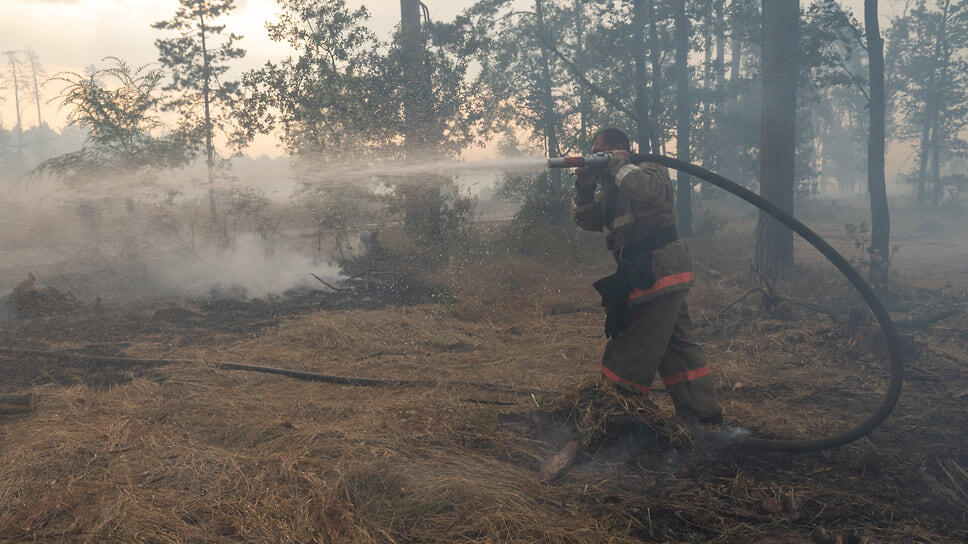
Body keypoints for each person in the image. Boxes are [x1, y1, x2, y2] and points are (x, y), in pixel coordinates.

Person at [573, 127, 722, 424]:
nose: (593, 157)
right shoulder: (613, 191)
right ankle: (703, 418)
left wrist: (618, 164)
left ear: (617, 149)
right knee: (678, 350)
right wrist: (586, 186)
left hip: (658, 272)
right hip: (648, 275)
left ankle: (616, 418)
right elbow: (587, 219)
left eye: (598, 151)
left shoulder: (648, 170)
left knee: (630, 345)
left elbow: (650, 192)